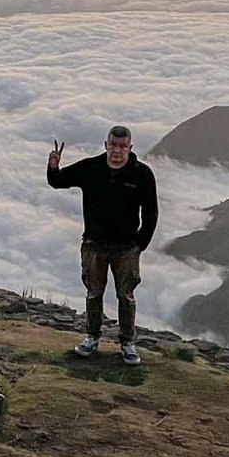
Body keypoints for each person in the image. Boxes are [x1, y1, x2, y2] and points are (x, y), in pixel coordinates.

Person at [46, 125, 159, 367]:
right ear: (106, 145)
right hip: (94, 245)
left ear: (130, 148)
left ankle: (127, 343)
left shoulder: (142, 174)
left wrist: (140, 244)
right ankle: (91, 338)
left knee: (125, 296)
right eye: (113, 145)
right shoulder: (91, 168)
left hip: (127, 248)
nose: (117, 151)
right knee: (94, 293)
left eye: (123, 146)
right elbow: (58, 182)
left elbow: (151, 213)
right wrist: (53, 166)